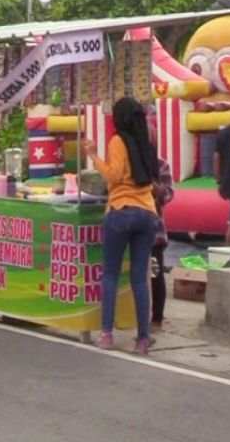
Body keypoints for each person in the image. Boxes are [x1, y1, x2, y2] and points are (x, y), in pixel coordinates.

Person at [83, 97, 158, 355]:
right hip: (148, 213)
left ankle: (106, 334)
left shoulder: (118, 141)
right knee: (139, 277)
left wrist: (94, 156)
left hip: (121, 210)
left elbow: (114, 176)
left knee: (111, 274)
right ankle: (143, 338)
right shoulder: (144, 143)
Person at [150, 152, 174, 330]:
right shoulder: (126, 161)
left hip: (154, 231)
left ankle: (157, 317)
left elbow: (167, 195)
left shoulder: (161, 165)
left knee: (155, 274)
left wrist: (151, 184)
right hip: (131, 229)